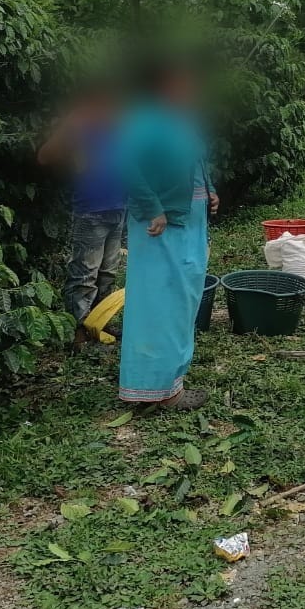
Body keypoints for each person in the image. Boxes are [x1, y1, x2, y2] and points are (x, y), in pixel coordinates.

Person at [117, 61, 210, 410]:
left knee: (183, 299)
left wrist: (210, 189)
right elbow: (124, 164)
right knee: (160, 302)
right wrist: (152, 206)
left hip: (189, 223)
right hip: (162, 224)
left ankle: (171, 381)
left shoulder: (181, 120)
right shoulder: (145, 119)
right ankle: (157, 390)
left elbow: (196, 162)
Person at [37, 84, 125, 345]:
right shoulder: (78, 121)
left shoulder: (119, 123)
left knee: (108, 272)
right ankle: (79, 333)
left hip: (119, 207)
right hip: (91, 210)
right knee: (84, 274)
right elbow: (45, 156)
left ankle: (100, 323)